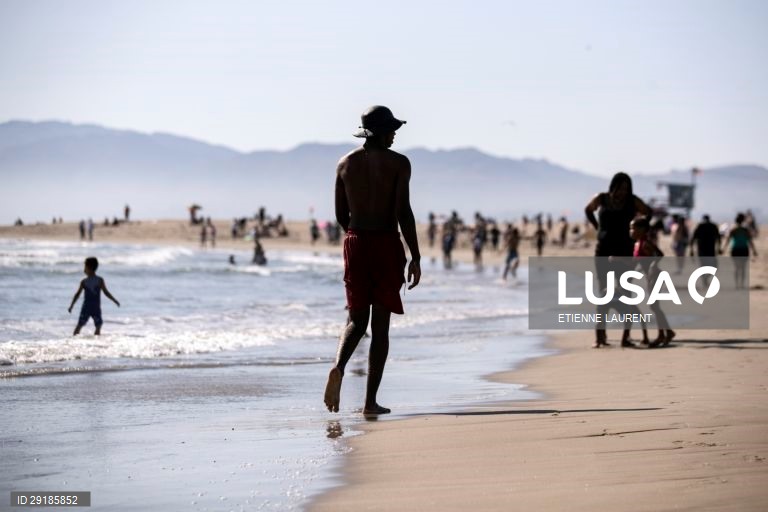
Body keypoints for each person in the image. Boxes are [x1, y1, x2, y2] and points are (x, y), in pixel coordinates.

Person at [324, 105, 421, 416]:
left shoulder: (344, 164)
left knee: (355, 320)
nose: (394, 134)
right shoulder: (399, 164)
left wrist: (357, 239)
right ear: (379, 133)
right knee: (380, 327)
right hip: (385, 242)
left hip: (355, 241)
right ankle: (369, 402)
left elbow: (341, 215)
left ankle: (338, 366)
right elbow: (403, 211)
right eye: (391, 130)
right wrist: (415, 256)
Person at [585, 172, 652, 348]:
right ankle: (600, 337)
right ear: (613, 186)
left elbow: (648, 212)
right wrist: (597, 227)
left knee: (626, 292)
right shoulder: (602, 199)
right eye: (620, 187)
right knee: (603, 293)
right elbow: (588, 209)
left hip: (625, 250)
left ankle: (626, 336)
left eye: (626, 188)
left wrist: (640, 233)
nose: (623, 191)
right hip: (603, 250)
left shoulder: (632, 201)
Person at [630, 217, 675, 347]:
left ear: (642, 230)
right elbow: (635, 261)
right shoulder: (637, 244)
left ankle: (667, 333)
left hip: (655, 276)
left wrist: (652, 266)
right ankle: (664, 334)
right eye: (630, 228)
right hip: (649, 276)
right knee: (654, 306)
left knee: (654, 306)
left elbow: (660, 254)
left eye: (633, 228)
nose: (631, 231)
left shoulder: (645, 243)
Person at [68, 257, 120, 336]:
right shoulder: (86, 281)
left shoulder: (97, 280)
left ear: (89, 268)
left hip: (94, 308)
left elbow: (106, 292)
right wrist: (71, 305)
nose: (84, 269)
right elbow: (77, 295)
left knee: (98, 325)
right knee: (81, 325)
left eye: (85, 266)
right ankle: (73, 341)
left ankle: (95, 343)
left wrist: (114, 300)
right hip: (88, 308)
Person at [721, 212, 758, 289]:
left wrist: (723, 249)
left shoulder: (733, 229)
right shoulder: (745, 230)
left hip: (735, 250)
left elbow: (727, 240)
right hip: (744, 250)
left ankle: (737, 284)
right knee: (743, 268)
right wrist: (754, 250)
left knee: (736, 267)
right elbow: (750, 241)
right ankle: (741, 284)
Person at [690, 214, 721, 288]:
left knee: (705, 266)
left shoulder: (701, 226)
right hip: (709, 250)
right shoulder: (712, 226)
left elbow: (693, 239)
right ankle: (705, 280)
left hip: (703, 251)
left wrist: (691, 250)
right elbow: (718, 238)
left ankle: (705, 280)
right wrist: (719, 248)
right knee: (713, 266)